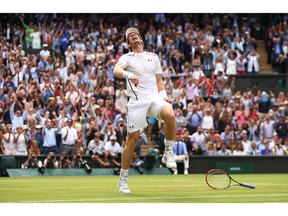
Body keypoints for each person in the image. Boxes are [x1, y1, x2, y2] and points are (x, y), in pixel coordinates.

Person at [113, 27, 177, 194]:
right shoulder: (126, 57)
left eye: (135, 35)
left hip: (154, 97)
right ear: (129, 43)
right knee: (132, 141)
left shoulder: (153, 57)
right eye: (130, 36)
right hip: (137, 102)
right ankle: (123, 179)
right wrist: (128, 75)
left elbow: (159, 81)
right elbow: (117, 71)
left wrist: (164, 95)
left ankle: (168, 153)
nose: (133, 37)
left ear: (141, 38)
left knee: (170, 113)